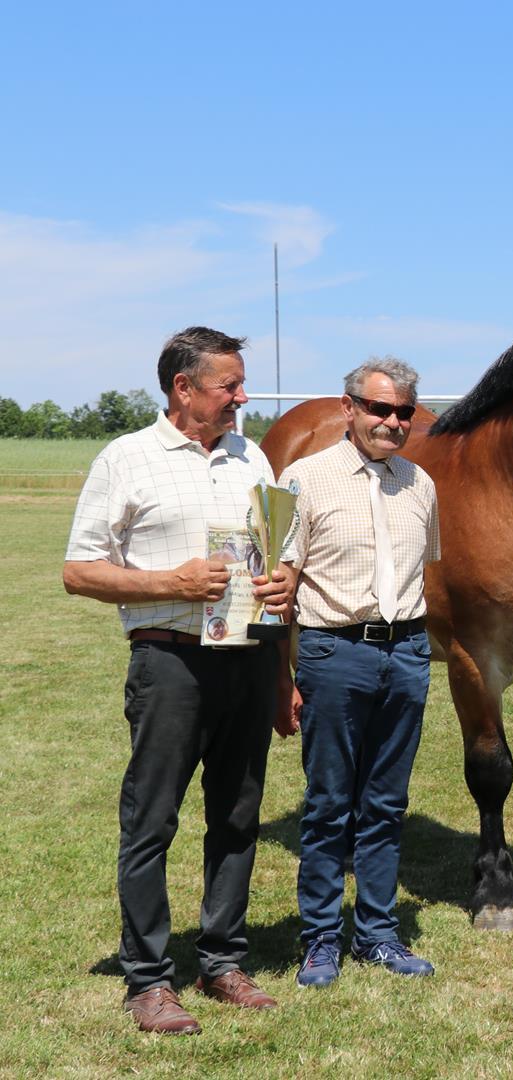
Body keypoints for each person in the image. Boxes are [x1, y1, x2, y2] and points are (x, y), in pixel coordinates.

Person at [64, 327, 289, 1035]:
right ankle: (149, 981)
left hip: (247, 656)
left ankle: (222, 962)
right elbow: (78, 570)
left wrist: (281, 581)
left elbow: (272, 552)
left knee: (238, 816)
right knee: (152, 820)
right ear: (183, 388)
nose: (243, 397)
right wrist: (172, 583)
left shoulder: (252, 456)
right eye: (230, 385)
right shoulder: (126, 458)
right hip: (170, 663)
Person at [276, 357, 441, 987]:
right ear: (349, 408)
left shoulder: (420, 484)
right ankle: (321, 938)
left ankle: (378, 934)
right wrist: (282, 673)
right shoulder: (302, 479)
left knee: (387, 804)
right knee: (328, 805)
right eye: (379, 409)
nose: (393, 422)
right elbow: (280, 584)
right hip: (334, 653)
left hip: (406, 652)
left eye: (403, 412)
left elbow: (421, 571)